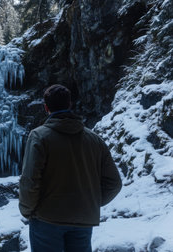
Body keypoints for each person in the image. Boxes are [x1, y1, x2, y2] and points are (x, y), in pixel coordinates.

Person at [19, 84, 122, 252]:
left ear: (46, 107)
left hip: (47, 218)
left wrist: (27, 210)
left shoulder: (39, 136)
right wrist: (89, 203)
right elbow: (114, 183)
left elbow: (30, 179)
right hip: (83, 219)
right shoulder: (94, 139)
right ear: (70, 104)